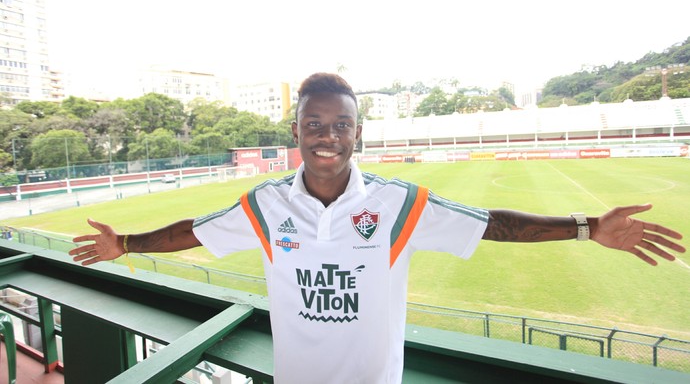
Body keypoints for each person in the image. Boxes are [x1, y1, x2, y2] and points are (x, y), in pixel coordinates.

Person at [69, 72, 686, 384]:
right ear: (296, 133)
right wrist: (124, 244)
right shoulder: (266, 206)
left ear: (357, 133)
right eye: (315, 124)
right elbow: (194, 231)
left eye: (341, 125)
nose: (328, 137)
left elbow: (495, 225)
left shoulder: (397, 204)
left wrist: (585, 228)